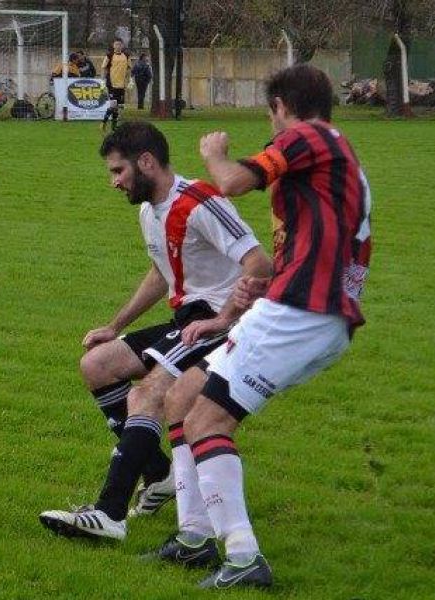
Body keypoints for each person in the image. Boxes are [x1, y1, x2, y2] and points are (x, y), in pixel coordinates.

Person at [145, 64, 373, 589]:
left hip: (301, 314)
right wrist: (232, 311)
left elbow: (230, 183)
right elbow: (309, 251)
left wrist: (213, 153)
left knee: (207, 421)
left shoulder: (309, 136)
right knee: (182, 398)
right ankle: (194, 537)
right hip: (300, 309)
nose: (274, 131)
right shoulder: (333, 159)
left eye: (271, 117)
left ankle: (244, 557)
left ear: (280, 108)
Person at [39, 121, 271, 541]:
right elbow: (162, 273)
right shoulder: (150, 211)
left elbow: (260, 264)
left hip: (219, 322)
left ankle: (110, 513)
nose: (114, 182)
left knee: (146, 393)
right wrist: (115, 326)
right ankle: (160, 475)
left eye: (117, 171)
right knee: (96, 365)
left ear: (146, 162)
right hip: (187, 320)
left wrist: (225, 319)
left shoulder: (199, 201)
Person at [101, 38, 131, 131]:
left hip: (121, 85)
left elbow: (129, 69)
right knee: (114, 105)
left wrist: (130, 80)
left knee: (120, 106)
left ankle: (114, 126)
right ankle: (104, 122)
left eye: (120, 44)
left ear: (122, 46)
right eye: (116, 44)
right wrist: (102, 81)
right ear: (113, 45)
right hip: (112, 84)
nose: (118, 46)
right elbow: (103, 68)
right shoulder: (109, 55)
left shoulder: (126, 55)